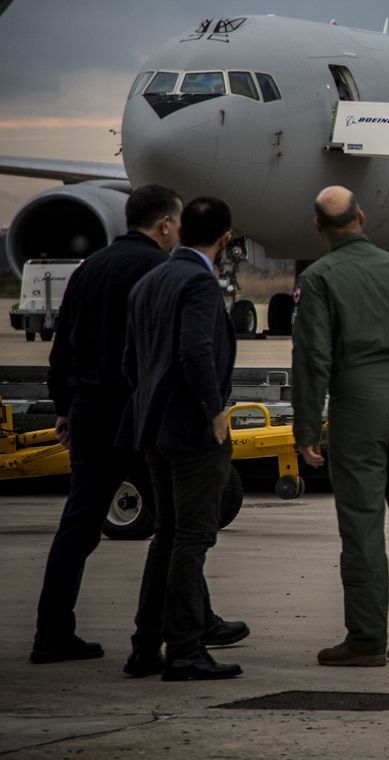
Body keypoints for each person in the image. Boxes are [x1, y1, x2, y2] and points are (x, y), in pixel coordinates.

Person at [31, 185, 247, 667]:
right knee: (180, 525)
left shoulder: (89, 269)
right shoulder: (165, 272)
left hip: (89, 408)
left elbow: (63, 343)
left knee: (81, 524)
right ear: (167, 224)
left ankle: (52, 631)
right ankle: (188, 627)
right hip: (143, 414)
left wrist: (65, 404)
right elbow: (184, 351)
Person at [291, 186, 389, 667]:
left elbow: (313, 358)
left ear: (318, 227)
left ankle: (365, 638)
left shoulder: (320, 277)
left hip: (361, 402)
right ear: (362, 217)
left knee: (362, 524)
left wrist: (305, 428)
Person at [120, 196, 242, 681]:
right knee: (192, 539)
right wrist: (213, 411)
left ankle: (146, 647)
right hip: (190, 430)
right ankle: (187, 649)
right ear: (225, 238)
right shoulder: (199, 283)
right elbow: (197, 350)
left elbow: (131, 361)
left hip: (152, 426)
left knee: (167, 537)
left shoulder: (149, 281)